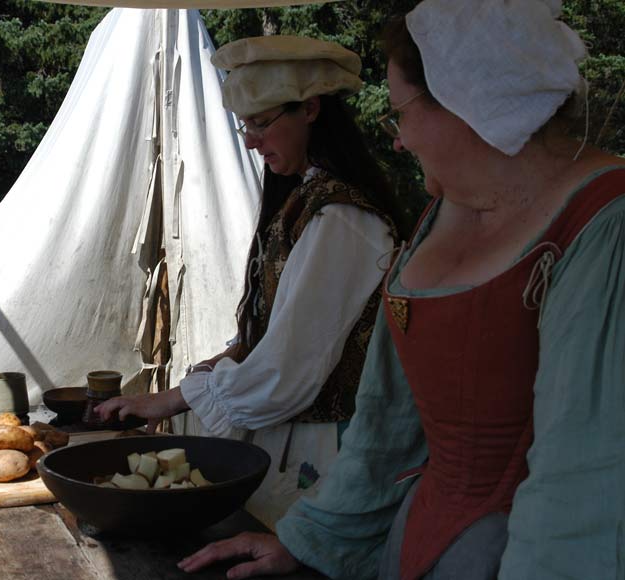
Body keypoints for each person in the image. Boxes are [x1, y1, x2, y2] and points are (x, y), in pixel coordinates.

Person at [181, 2, 625, 579]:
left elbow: (585, 478)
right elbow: (385, 424)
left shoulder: (604, 224)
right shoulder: (441, 213)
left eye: (400, 116)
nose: (396, 141)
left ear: (466, 104)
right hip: (415, 541)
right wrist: (311, 538)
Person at [96, 35, 401, 526]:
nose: (252, 140)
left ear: (312, 110)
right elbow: (269, 331)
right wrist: (209, 369)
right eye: (245, 126)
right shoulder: (302, 204)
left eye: (261, 123)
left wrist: (178, 396)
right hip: (293, 438)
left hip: (332, 448)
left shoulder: (341, 219)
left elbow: (288, 366)